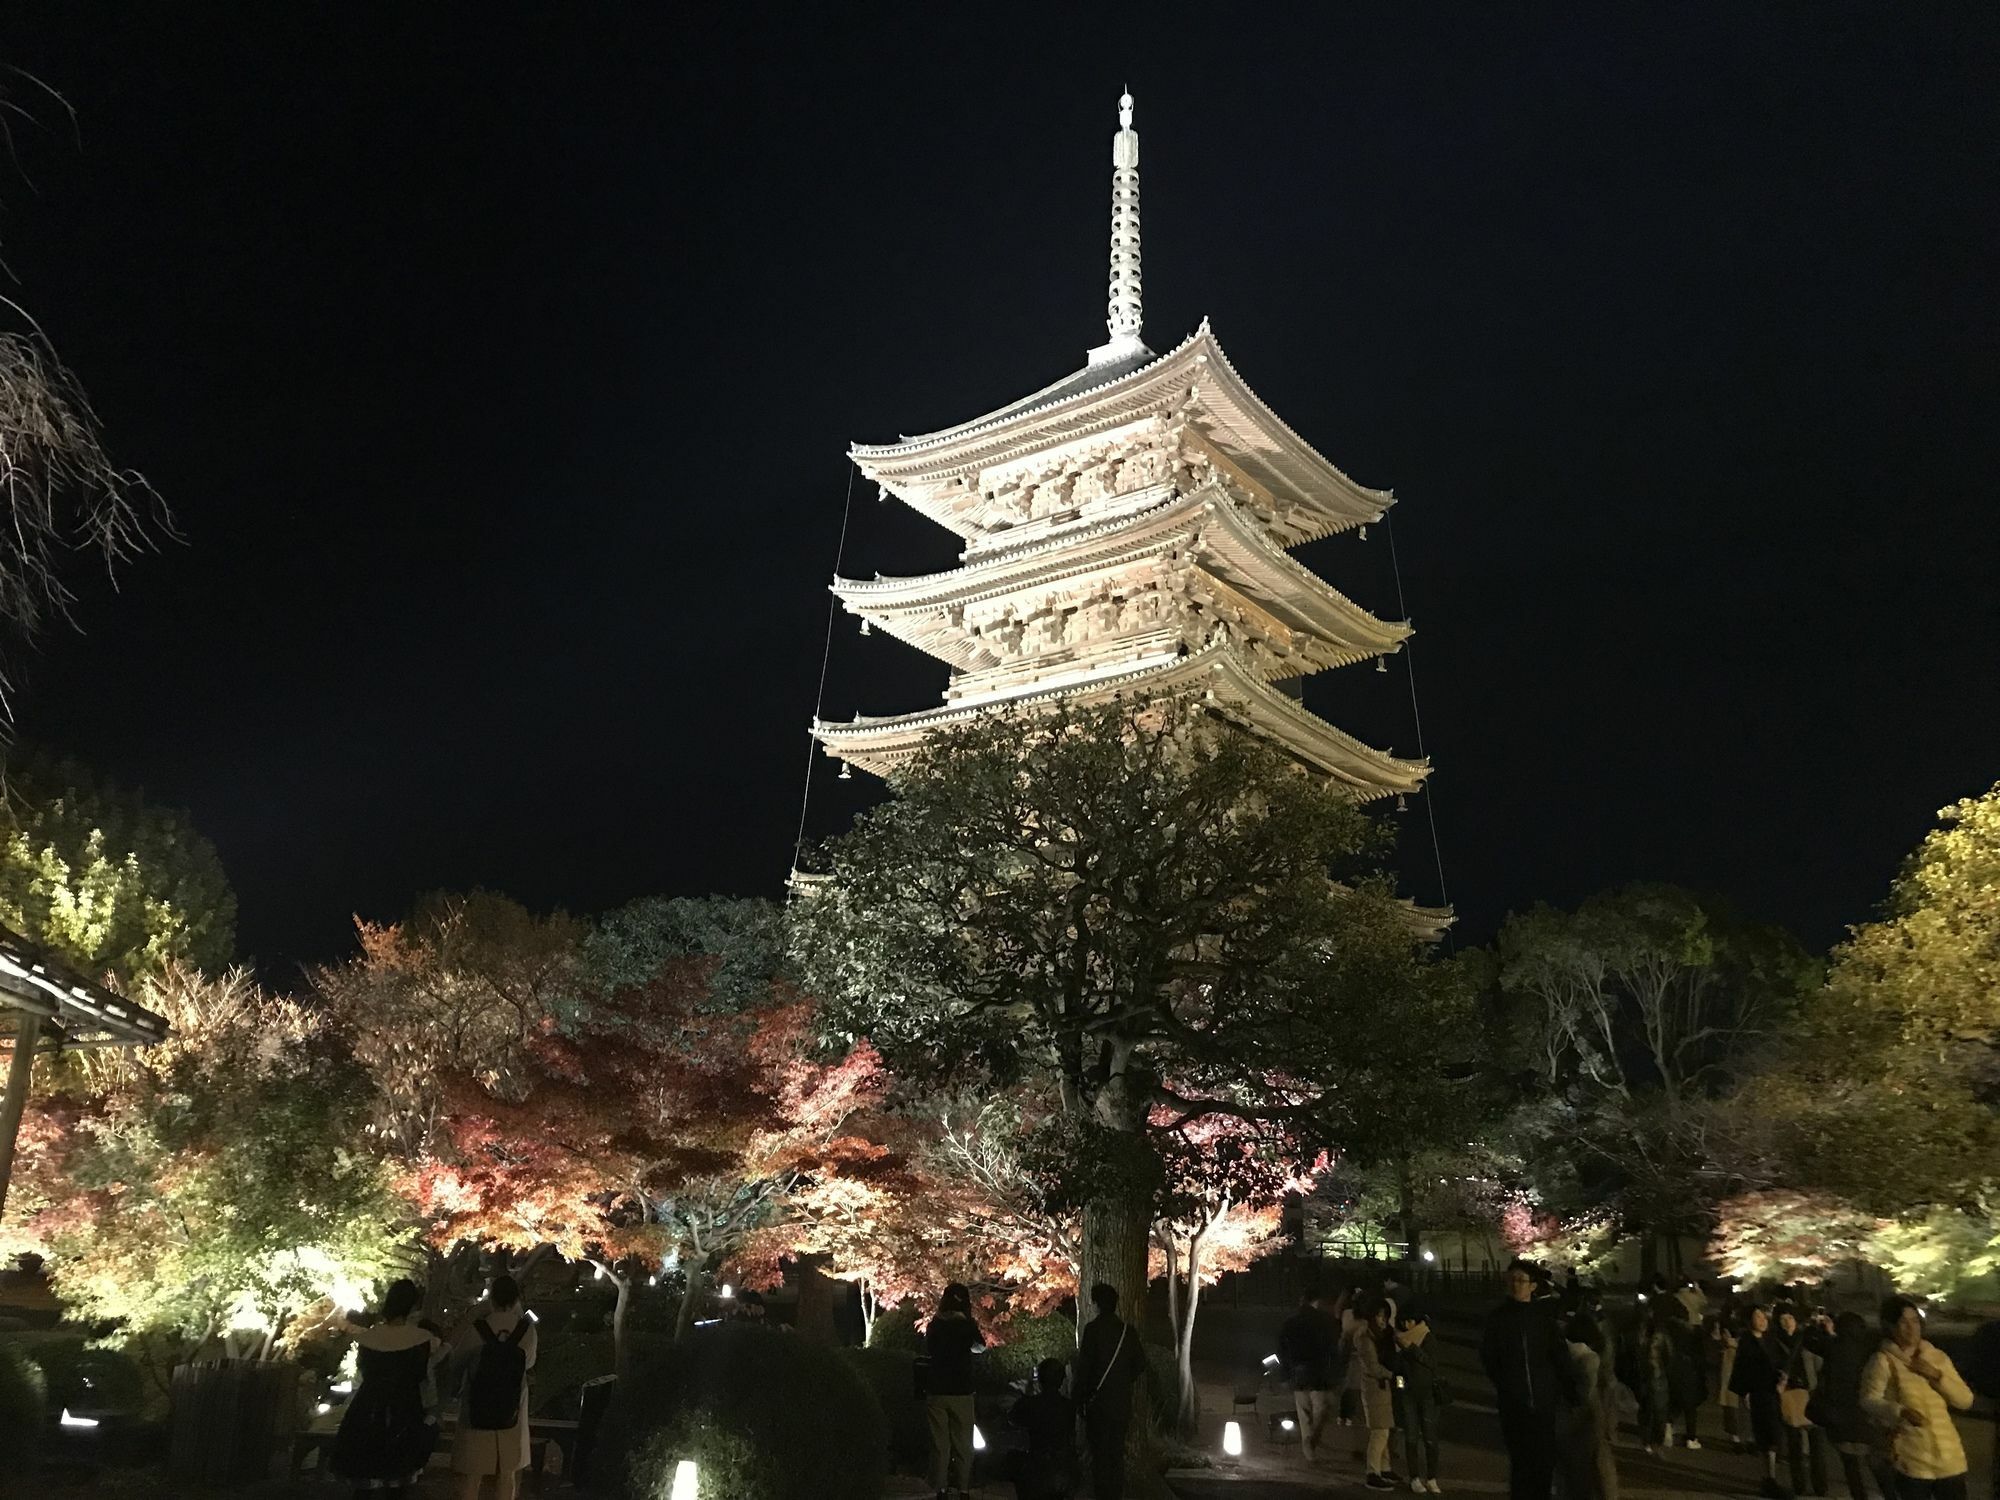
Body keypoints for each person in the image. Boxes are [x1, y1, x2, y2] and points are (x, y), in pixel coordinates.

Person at [331, 1279, 441, 1500]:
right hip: (405, 1411)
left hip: (367, 1410)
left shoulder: (368, 1338)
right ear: (412, 1306)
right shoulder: (421, 1340)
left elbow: (363, 1375)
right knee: (398, 1482)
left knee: (364, 1483)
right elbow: (425, 1379)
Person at [1480, 1261, 1580, 1500]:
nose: (1515, 1285)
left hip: (1544, 1404)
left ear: (1533, 1286)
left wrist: (1568, 1391)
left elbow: (1559, 1357)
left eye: (1521, 1280)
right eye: (1512, 1279)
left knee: (1544, 1463)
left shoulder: (1542, 1318)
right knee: (1521, 1463)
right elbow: (1489, 1357)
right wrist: (1506, 1385)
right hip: (1514, 1405)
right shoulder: (1498, 1318)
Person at [1859, 1296, 1973, 1500]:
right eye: (1904, 1322)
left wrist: (1937, 1376)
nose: (1911, 1328)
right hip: (1912, 1460)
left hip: (1950, 1458)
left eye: (1915, 1321)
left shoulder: (1937, 1357)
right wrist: (1900, 1411)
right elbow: (1868, 1400)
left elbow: (1965, 1400)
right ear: (1890, 1326)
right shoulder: (1883, 1360)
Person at [450, 1274, 537, 1500]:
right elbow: (529, 1363)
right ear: (517, 1298)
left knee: (473, 1474)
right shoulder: (527, 1330)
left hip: (477, 1404)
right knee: (507, 1473)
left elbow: (457, 1359)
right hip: (513, 1407)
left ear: (492, 1298)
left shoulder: (478, 1328)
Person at [1075, 1283, 1145, 1500]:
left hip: (1098, 1403)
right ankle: (1116, 1493)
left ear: (1096, 1304)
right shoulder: (1127, 1332)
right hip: (1121, 1401)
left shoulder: (1092, 1331)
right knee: (1116, 1453)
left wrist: (1079, 1398)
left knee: (1099, 1454)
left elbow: (1084, 1368)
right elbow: (1140, 1364)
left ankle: (1102, 1494)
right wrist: (1124, 1380)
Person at [1817, 1310, 1893, 1500]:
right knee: (1878, 1466)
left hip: (1841, 1417)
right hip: (1868, 1416)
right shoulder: (1869, 1350)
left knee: (1851, 1468)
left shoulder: (1833, 1349)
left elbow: (1826, 1383)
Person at [924, 1282, 986, 1500]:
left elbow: (929, 1349)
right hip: (962, 1390)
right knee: (963, 1442)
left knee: (939, 1442)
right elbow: (981, 1346)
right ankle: (963, 1489)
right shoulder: (967, 1325)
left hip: (937, 1389)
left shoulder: (936, 1324)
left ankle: (940, 1488)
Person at [1278, 1291, 1341, 1463]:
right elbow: (1332, 1349)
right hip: (1318, 1373)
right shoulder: (1324, 1322)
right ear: (1317, 1301)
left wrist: (1285, 1374)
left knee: (1304, 1413)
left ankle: (1309, 1449)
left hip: (1298, 1372)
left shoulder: (1291, 1322)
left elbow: (1282, 1349)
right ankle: (1311, 1442)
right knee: (1321, 1410)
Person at [1733, 1305, 1789, 1498]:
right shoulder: (1747, 1343)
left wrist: (1783, 1378)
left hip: (1774, 1393)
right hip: (1759, 1394)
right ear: (1750, 1321)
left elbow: (1782, 1362)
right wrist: (1745, 1392)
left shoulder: (1770, 1339)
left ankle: (1770, 1478)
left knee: (1773, 1434)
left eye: (1764, 1316)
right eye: (1758, 1317)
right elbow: (1742, 1370)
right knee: (1767, 1435)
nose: (1763, 1320)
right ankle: (1769, 1479)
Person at [1774, 1306, 1830, 1495]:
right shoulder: (1775, 1341)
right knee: (1794, 1443)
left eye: (1789, 1317)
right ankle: (1799, 1484)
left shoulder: (1807, 1339)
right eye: (1782, 1318)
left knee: (1817, 1444)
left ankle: (1820, 1485)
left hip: (1810, 1393)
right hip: (1790, 1394)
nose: (1786, 1322)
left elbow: (1822, 1363)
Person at [1563, 1312, 1618, 1500]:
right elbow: (1587, 1391)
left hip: (1566, 1419)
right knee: (1597, 1469)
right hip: (1588, 1419)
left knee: (1572, 1471)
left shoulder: (1561, 1352)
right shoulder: (1589, 1358)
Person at [1008, 1357, 1078, 1500]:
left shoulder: (1032, 1404)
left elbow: (1012, 1418)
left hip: (1038, 1469)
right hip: (1064, 1471)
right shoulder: (1068, 1407)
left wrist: (1026, 1395)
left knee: (1013, 1460)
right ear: (1061, 1380)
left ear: (1040, 1379)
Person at [1352, 1298, 1400, 1490]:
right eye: (1380, 1316)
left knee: (1384, 1428)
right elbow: (1373, 1367)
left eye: (1385, 1316)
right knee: (1379, 1431)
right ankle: (1373, 1472)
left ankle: (1385, 1468)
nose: (1383, 1320)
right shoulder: (1365, 1337)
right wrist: (1393, 1375)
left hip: (1382, 1386)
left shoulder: (1376, 1334)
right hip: (1375, 1387)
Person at [1396, 1311, 1445, 1495]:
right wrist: (1400, 1389)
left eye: (1408, 1320)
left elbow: (1432, 1363)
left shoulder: (1427, 1337)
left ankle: (1431, 1478)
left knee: (1430, 1439)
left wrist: (1413, 1349)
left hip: (1427, 1395)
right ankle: (1414, 1478)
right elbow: (1399, 1371)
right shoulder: (1399, 1340)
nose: (1405, 1324)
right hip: (1409, 1396)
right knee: (1411, 1438)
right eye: (1403, 1321)